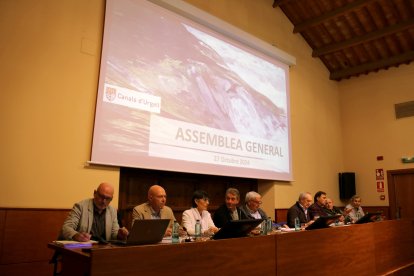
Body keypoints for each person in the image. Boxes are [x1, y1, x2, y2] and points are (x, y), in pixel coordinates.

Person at [59, 182, 128, 242]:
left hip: (102, 249)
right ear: (95, 193)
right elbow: (66, 228)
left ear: (111, 199)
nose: (104, 201)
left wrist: (119, 235)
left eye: (108, 198)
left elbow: (114, 234)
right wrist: (75, 235)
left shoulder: (112, 211)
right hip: (82, 248)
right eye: (101, 196)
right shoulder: (80, 207)